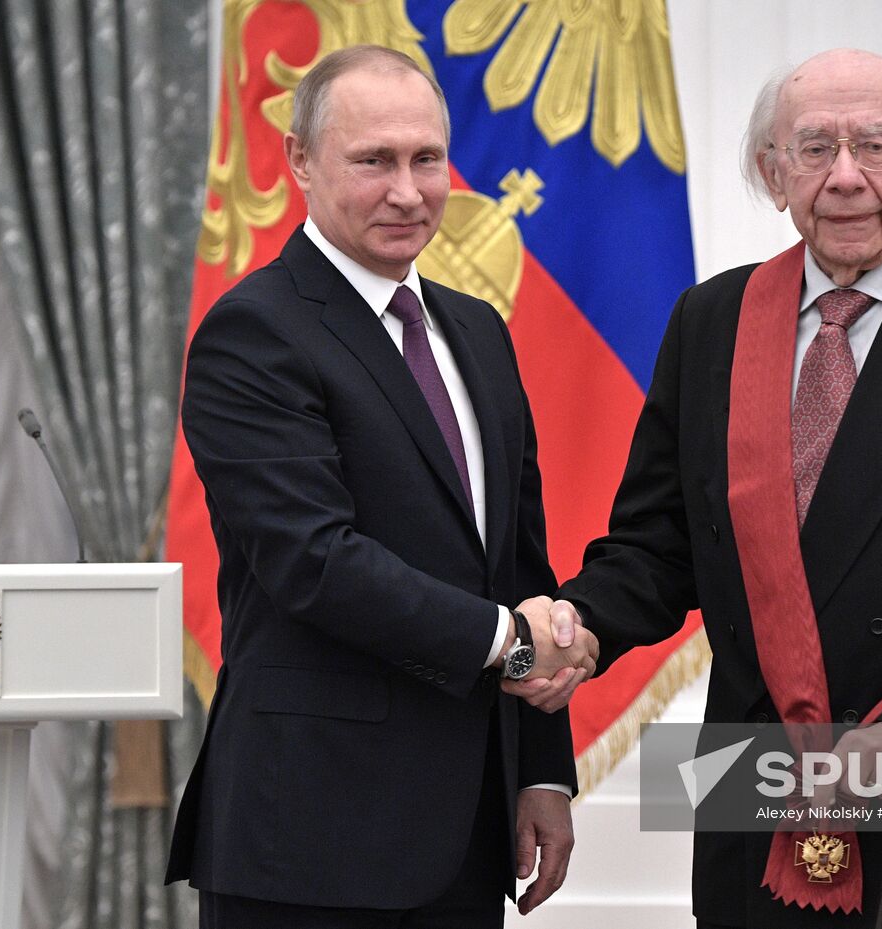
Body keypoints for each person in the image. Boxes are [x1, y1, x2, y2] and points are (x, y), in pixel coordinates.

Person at [509, 48, 882, 928]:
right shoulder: (713, 320)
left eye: (875, 144)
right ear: (771, 172)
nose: (846, 177)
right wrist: (583, 623)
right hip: (755, 818)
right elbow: (659, 544)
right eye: (815, 148)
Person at [165, 45, 599, 929]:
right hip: (310, 840)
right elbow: (313, 560)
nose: (408, 191)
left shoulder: (477, 329)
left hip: (470, 836)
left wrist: (543, 770)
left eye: (426, 159)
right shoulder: (253, 331)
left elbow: (516, 561)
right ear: (300, 162)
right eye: (374, 161)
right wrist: (508, 641)